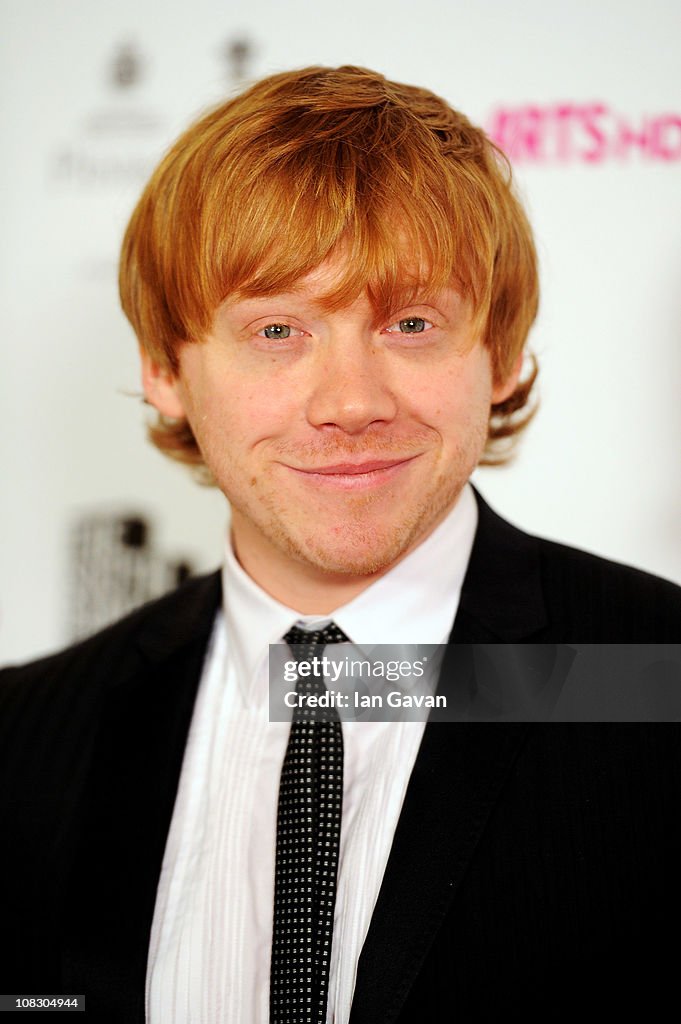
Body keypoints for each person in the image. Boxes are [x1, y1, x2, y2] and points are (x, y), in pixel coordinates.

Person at [0, 65, 679, 1024]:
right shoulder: (23, 740)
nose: (352, 403)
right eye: (277, 329)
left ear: (501, 351)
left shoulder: (657, 676)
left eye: (410, 323)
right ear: (164, 369)